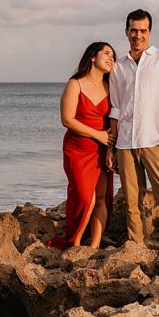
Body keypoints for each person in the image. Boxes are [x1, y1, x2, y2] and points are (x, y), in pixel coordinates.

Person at [107, 9, 159, 264]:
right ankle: (137, 248)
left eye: (143, 31)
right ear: (126, 32)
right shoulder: (118, 67)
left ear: (150, 32)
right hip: (126, 143)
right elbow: (116, 109)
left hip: (155, 141)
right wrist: (111, 147)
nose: (138, 35)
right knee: (132, 202)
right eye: (134, 30)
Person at [49, 42, 117, 249]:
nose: (111, 58)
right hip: (78, 149)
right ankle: (75, 244)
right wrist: (98, 135)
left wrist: (110, 149)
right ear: (92, 57)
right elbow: (67, 120)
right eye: (106, 53)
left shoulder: (112, 86)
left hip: (102, 149)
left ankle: (94, 246)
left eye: (113, 55)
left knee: (101, 198)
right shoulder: (75, 84)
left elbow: (114, 120)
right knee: (84, 197)